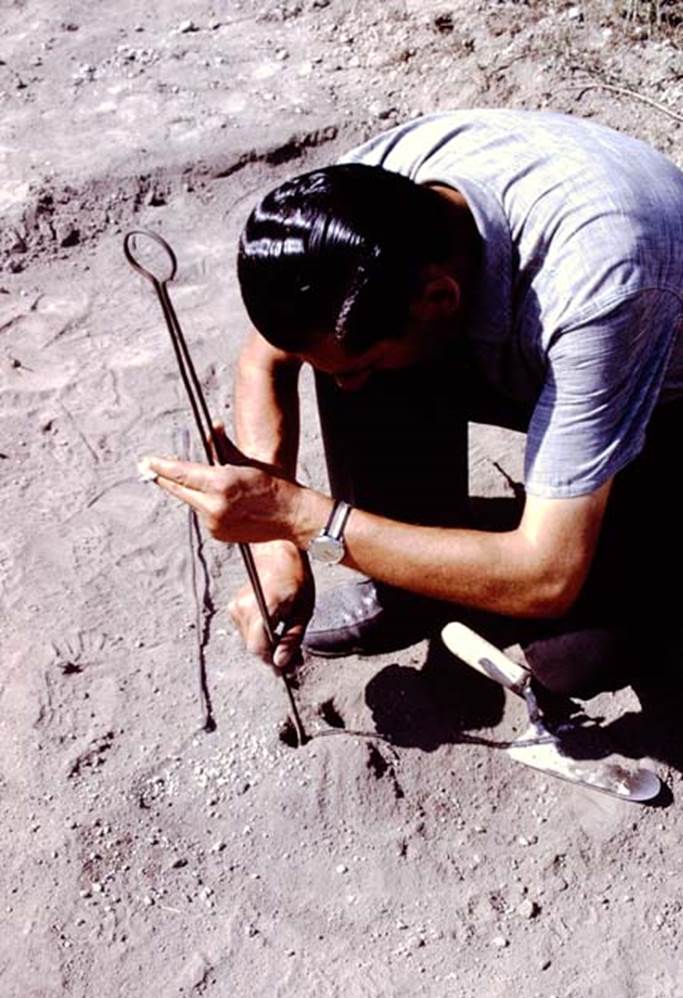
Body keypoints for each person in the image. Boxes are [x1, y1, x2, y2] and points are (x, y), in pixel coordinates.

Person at [142, 109, 683, 701]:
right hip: (543, 340)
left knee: (577, 660)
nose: (347, 390)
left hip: (660, 389)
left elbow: (547, 576)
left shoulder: (600, 287)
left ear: (438, 296)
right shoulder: (359, 211)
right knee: (352, 364)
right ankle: (408, 591)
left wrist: (301, 519)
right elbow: (264, 360)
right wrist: (276, 553)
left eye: (361, 365)